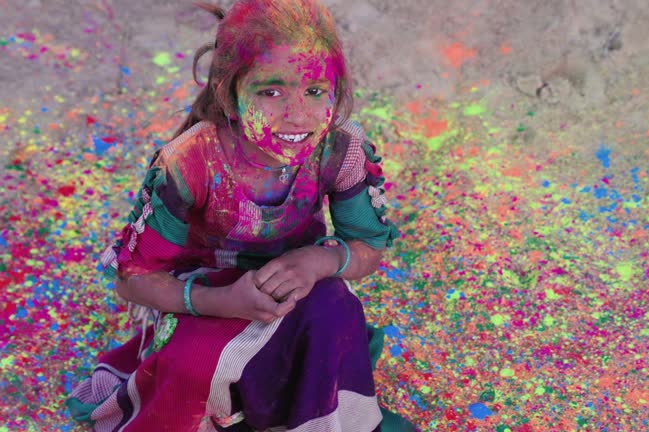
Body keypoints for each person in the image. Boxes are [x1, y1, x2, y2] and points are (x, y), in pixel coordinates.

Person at [65, 1, 414, 431]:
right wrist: (222, 301)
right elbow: (133, 279)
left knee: (337, 308)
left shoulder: (340, 149)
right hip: (203, 297)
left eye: (315, 91)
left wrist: (318, 261)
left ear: (335, 92)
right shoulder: (190, 161)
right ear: (230, 94)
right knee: (190, 365)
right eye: (270, 91)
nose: (297, 113)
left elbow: (366, 247)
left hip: (293, 289)